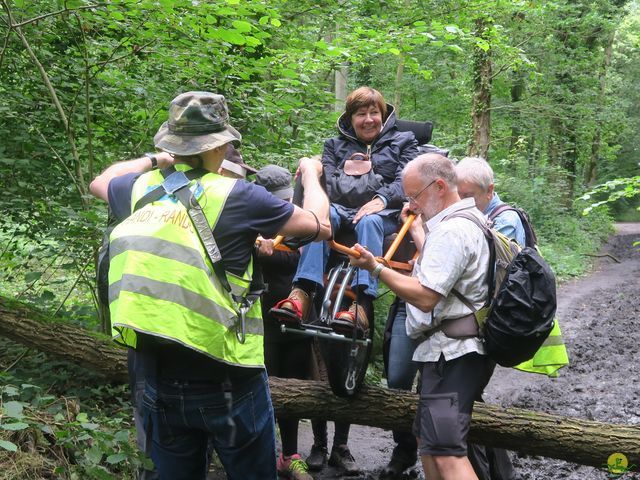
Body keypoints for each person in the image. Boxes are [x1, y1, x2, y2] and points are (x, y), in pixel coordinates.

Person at [89, 91, 331, 480]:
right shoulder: (239, 195)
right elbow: (320, 225)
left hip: (155, 370)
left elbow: (101, 180)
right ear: (221, 144)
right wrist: (313, 177)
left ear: (172, 143)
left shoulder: (142, 189)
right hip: (229, 374)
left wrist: (157, 160)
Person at [270, 86, 418, 474]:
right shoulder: (333, 145)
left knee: (369, 219)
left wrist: (381, 200)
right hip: (337, 209)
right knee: (320, 226)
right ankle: (303, 292)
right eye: (360, 114)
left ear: (384, 114)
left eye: (374, 113)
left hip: (379, 214)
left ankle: (360, 303)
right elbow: (330, 183)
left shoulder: (403, 140)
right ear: (350, 117)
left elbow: (405, 180)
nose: (368, 120)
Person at [349, 153, 496, 480]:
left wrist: (375, 268)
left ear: (440, 186)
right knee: (428, 443)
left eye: (415, 195)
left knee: (446, 454)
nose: (412, 204)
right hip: (448, 354)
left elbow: (426, 296)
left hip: (452, 356)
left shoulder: (453, 231)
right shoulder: (467, 222)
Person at [254, 165, 313, 480]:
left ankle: (289, 456)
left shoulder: (301, 220)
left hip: (297, 316)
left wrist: (269, 253)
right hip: (260, 321)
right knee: (263, 388)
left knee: (293, 388)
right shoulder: (251, 219)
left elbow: (302, 259)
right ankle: (263, 456)